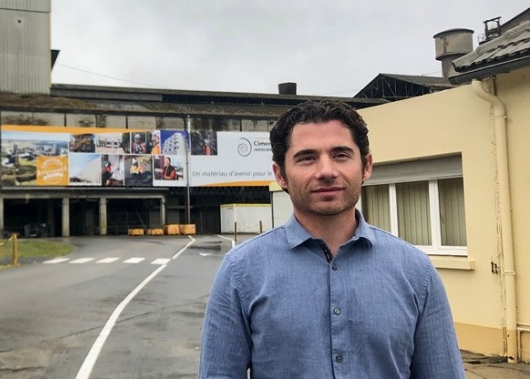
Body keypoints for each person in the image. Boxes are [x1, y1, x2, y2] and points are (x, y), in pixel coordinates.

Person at [199, 100, 464, 378]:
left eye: (341, 155)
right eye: (307, 158)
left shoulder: (416, 272)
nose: (326, 171)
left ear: (366, 166)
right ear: (280, 175)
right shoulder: (241, 272)